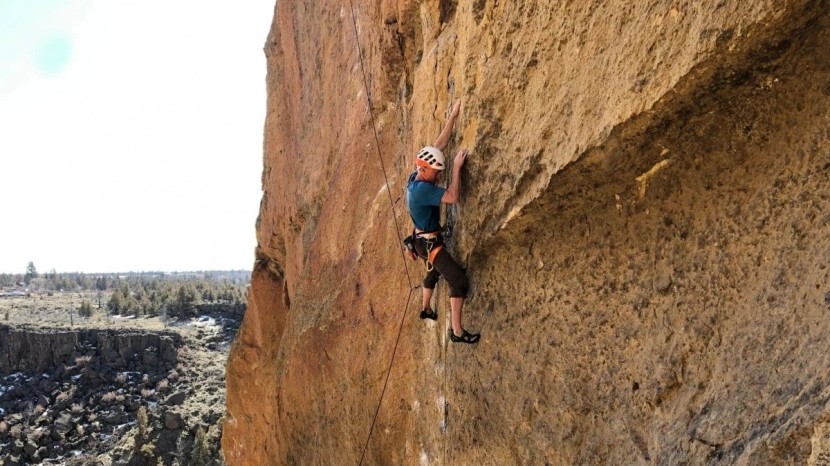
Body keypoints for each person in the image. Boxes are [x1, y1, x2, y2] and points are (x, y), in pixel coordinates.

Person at [405, 99, 480, 344]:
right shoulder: (424, 189)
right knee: (458, 281)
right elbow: (454, 196)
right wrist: (456, 168)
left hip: (419, 241)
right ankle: (457, 332)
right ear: (426, 171)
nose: (439, 177)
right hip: (429, 244)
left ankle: (426, 308)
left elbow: (438, 144)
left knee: (433, 273)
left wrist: (453, 116)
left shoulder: (416, 175)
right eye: (437, 173)